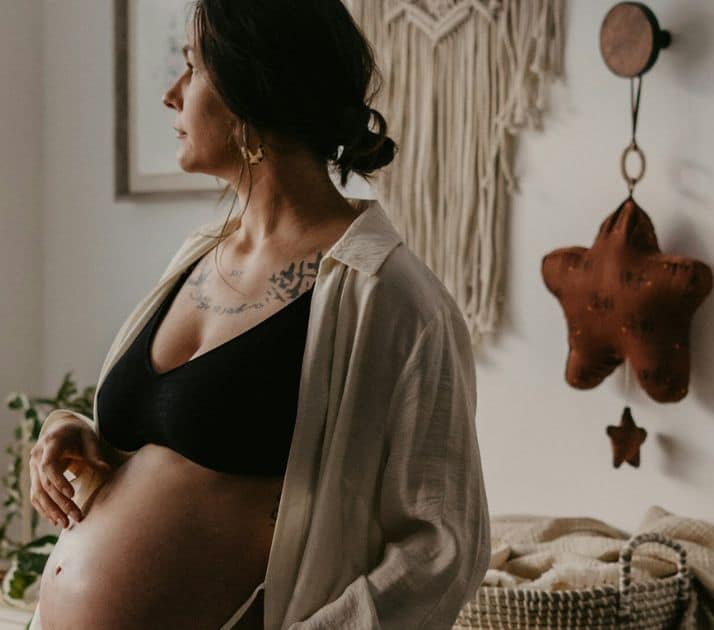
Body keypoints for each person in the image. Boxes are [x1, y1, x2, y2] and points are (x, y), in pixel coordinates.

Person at [27, 1, 489, 628]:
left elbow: (443, 548)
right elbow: (173, 456)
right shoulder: (199, 255)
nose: (171, 95)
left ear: (253, 88)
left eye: (191, 68)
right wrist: (77, 435)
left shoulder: (391, 298)